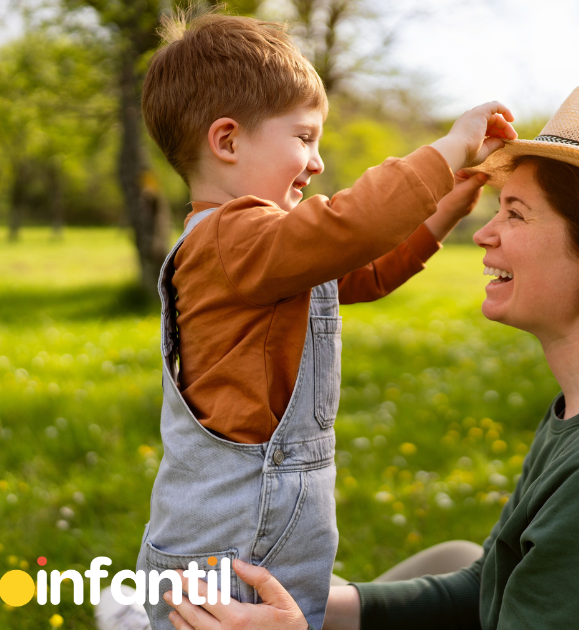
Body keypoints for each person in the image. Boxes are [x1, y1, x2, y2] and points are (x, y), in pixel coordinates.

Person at [157, 84, 579, 630]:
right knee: (456, 555)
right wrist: (321, 610)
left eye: (515, 214)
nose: (485, 234)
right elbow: (488, 585)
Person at [126, 9, 516, 630]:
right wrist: (447, 152)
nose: (317, 163)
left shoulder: (270, 252)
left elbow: (367, 268)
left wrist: (447, 204)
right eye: (304, 138)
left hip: (256, 544)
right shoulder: (232, 239)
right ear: (227, 142)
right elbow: (352, 225)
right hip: (230, 555)